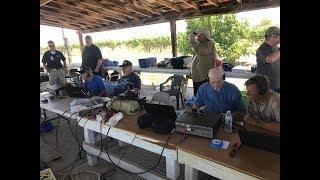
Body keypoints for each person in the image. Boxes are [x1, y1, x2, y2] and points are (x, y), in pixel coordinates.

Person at [189, 29, 216, 95]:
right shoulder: (200, 45)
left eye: (199, 35)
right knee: (198, 96)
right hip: (198, 77)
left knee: (205, 96)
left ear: (204, 36)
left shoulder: (209, 44)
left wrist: (192, 41)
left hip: (205, 77)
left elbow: (202, 51)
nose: (197, 37)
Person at [255, 26, 280, 93]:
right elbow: (269, 59)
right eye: (279, 37)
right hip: (265, 86)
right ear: (272, 36)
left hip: (277, 86)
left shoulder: (276, 48)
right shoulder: (262, 49)